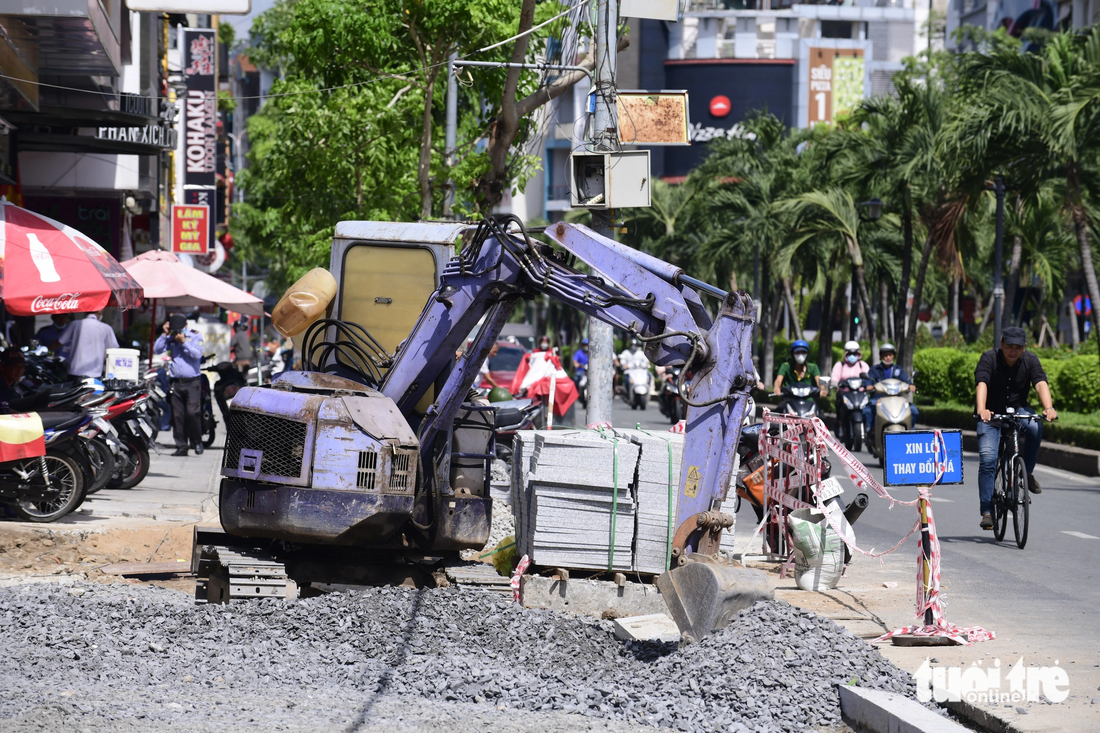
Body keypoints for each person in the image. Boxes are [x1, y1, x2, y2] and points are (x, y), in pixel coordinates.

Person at [974, 326, 1056, 530]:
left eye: (1017, 347)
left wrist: (1049, 408)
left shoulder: (1030, 360)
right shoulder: (989, 358)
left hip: (1018, 412)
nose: (1013, 351)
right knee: (988, 459)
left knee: (1035, 426)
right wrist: (982, 409)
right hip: (991, 416)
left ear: (1024, 348)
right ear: (1001, 345)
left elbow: (1040, 383)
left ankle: (1026, 473)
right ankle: (986, 511)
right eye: (1009, 346)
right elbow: (982, 382)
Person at [155, 313, 206, 457]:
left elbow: (197, 355)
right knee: (178, 416)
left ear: (186, 326)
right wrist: (165, 335)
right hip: (176, 383)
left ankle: (197, 441)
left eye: (179, 329)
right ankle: (181, 446)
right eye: (174, 329)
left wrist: (184, 342)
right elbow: (157, 350)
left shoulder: (195, 336)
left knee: (192, 412)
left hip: (193, 382)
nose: (177, 332)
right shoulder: (170, 337)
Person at [864, 343, 917, 435]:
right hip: (878, 399)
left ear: (894, 356)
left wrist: (910, 385)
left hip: (896, 400)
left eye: (890, 355)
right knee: (867, 411)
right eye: (885, 355)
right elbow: (868, 382)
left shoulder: (898, 369)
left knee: (914, 411)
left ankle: (910, 431)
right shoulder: (874, 369)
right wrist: (869, 386)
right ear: (881, 356)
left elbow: (906, 381)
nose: (888, 357)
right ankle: (871, 431)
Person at [58, 310, 119, 378]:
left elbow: (59, 342)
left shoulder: (75, 324)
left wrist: (47, 349)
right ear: (100, 311)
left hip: (74, 372)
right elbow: (114, 351)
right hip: (95, 374)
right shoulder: (106, 328)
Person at [830, 340, 871, 441]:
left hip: (860, 392)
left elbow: (869, 377)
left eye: (855, 353)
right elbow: (835, 376)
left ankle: (869, 428)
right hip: (845, 392)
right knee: (839, 403)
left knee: (869, 408)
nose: (852, 356)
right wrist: (835, 382)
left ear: (858, 354)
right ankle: (840, 426)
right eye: (850, 353)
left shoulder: (863, 365)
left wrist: (869, 384)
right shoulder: (840, 365)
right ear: (846, 353)